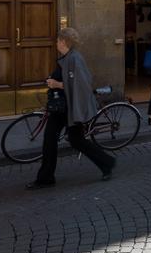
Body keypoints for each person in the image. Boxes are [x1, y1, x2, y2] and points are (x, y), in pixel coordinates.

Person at [26, 28, 114, 189]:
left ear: (65, 42)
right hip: (62, 107)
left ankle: (107, 162)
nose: (56, 43)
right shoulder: (66, 58)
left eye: (58, 40)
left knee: (74, 140)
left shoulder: (74, 58)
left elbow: (82, 84)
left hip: (70, 108)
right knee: (54, 140)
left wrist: (57, 84)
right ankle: (46, 177)